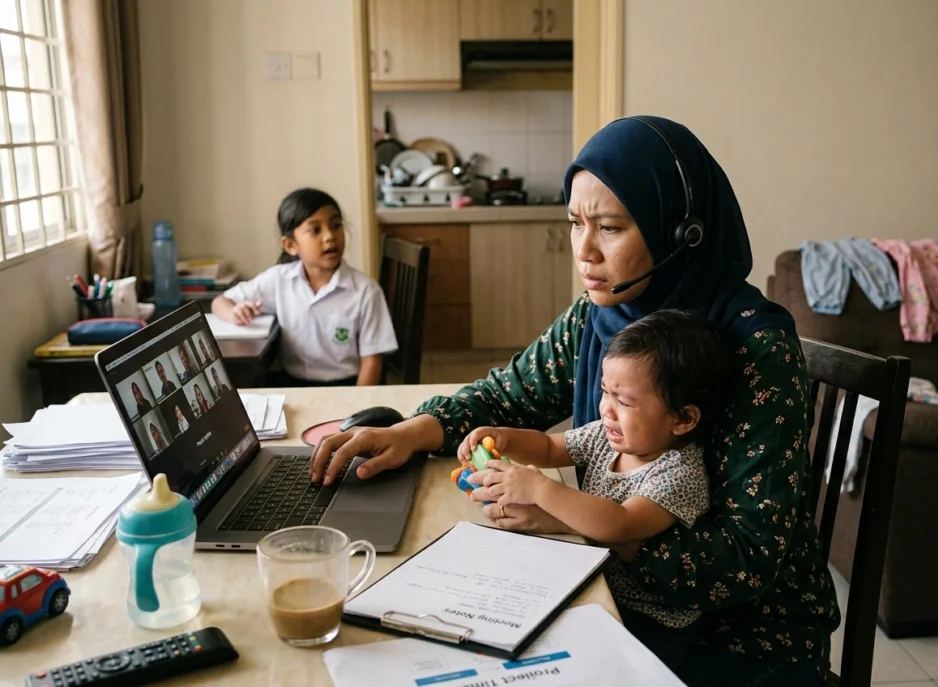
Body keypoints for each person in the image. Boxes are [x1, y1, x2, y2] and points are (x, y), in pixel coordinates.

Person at [308, 116, 840, 686]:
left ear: (680, 233)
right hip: (619, 590)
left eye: (609, 227)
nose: (583, 251)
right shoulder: (600, 314)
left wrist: (580, 525)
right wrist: (414, 431)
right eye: (574, 222)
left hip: (741, 633)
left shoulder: (756, 349)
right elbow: (508, 395)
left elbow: (747, 560)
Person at [459, 309, 726, 644]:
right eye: (604, 392)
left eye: (624, 402)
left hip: (652, 621)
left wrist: (539, 488)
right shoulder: (608, 435)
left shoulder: (678, 474)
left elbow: (619, 525)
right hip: (599, 585)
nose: (606, 410)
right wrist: (504, 437)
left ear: (683, 418)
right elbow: (547, 447)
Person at [211, 188, 398, 387]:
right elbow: (219, 302)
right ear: (291, 245)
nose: (329, 236)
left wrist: (358, 407)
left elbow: (372, 362)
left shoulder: (365, 291)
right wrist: (235, 312)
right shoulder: (278, 280)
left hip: (346, 386)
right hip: (292, 384)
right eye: (315, 230)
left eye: (335, 225)